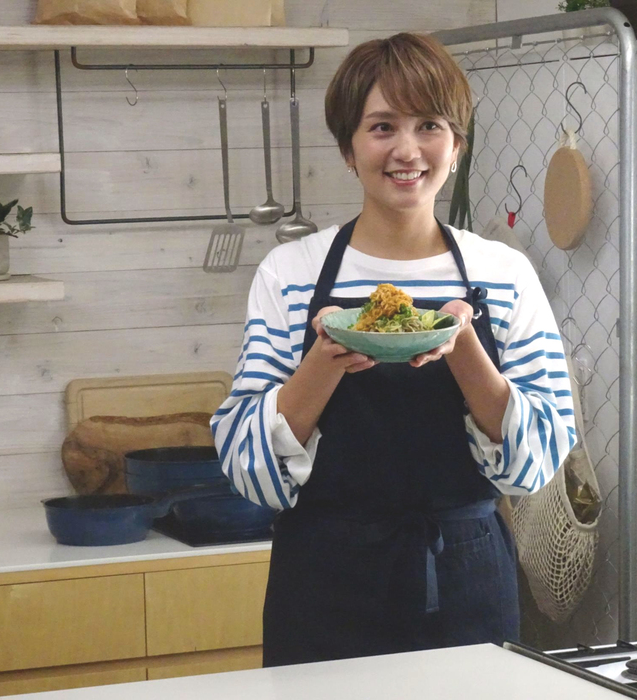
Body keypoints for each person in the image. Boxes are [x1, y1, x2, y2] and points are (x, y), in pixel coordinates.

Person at [211, 32, 576, 667]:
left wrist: (462, 347)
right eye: (382, 127)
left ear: (456, 145)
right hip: (323, 584)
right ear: (349, 150)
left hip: (466, 576)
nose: (407, 150)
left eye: (429, 125)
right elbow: (245, 463)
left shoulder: (502, 273)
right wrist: (324, 360)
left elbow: (539, 458)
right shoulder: (291, 272)